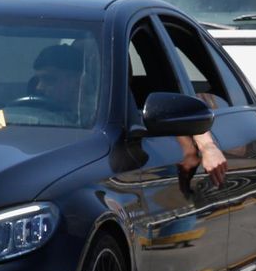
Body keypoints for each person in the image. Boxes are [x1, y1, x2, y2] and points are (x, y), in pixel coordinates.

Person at [33, 44, 228, 186]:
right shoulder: (29, 110)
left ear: (79, 79)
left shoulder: (111, 109)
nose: (39, 88)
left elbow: (185, 115)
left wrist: (208, 147)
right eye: (38, 80)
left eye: (50, 80)